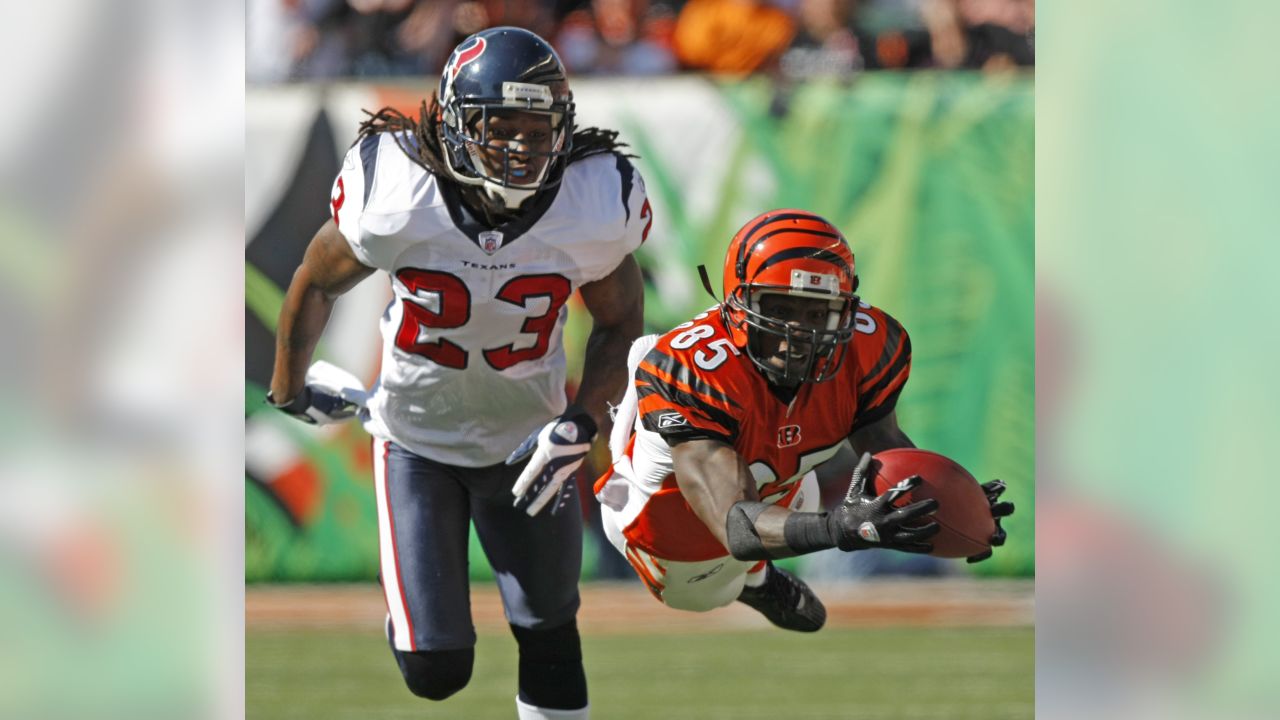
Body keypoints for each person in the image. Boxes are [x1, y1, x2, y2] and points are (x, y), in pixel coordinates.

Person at [267, 27, 648, 719]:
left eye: (538, 129)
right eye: (500, 127)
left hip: (530, 445)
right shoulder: (399, 198)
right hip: (418, 444)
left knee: (551, 637)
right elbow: (315, 280)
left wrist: (580, 422)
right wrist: (289, 389)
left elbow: (622, 323)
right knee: (435, 671)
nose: (521, 147)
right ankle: (416, 617)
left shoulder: (590, 204)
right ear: (450, 121)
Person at [595, 209, 1012, 631]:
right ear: (738, 303)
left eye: (818, 313)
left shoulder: (871, 345)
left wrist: (948, 506)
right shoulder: (693, 370)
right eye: (781, 309)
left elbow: (884, 447)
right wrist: (842, 528)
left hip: (782, 480)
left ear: (846, 310)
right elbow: (735, 526)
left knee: (801, 499)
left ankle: (758, 573)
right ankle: (755, 584)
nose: (801, 332)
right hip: (663, 517)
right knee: (697, 594)